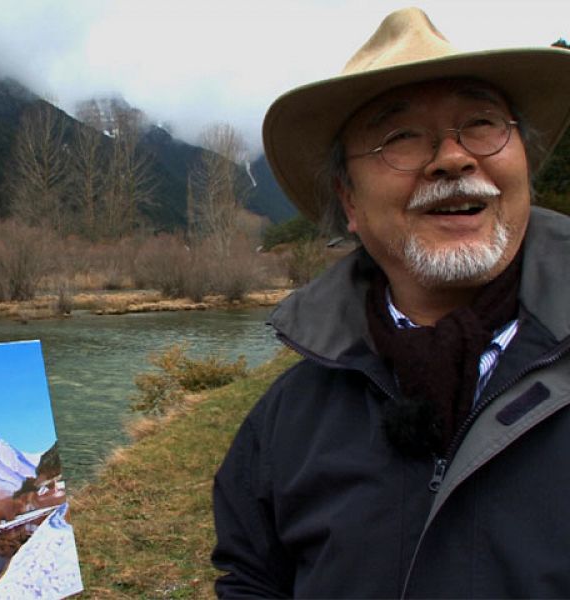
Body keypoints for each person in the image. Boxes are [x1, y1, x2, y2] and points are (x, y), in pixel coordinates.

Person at [211, 7, 570, 598]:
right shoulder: (284, 423)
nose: (454, 158)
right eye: (400, 136)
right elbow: (252, 581)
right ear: (348, 201)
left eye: (481, 123)